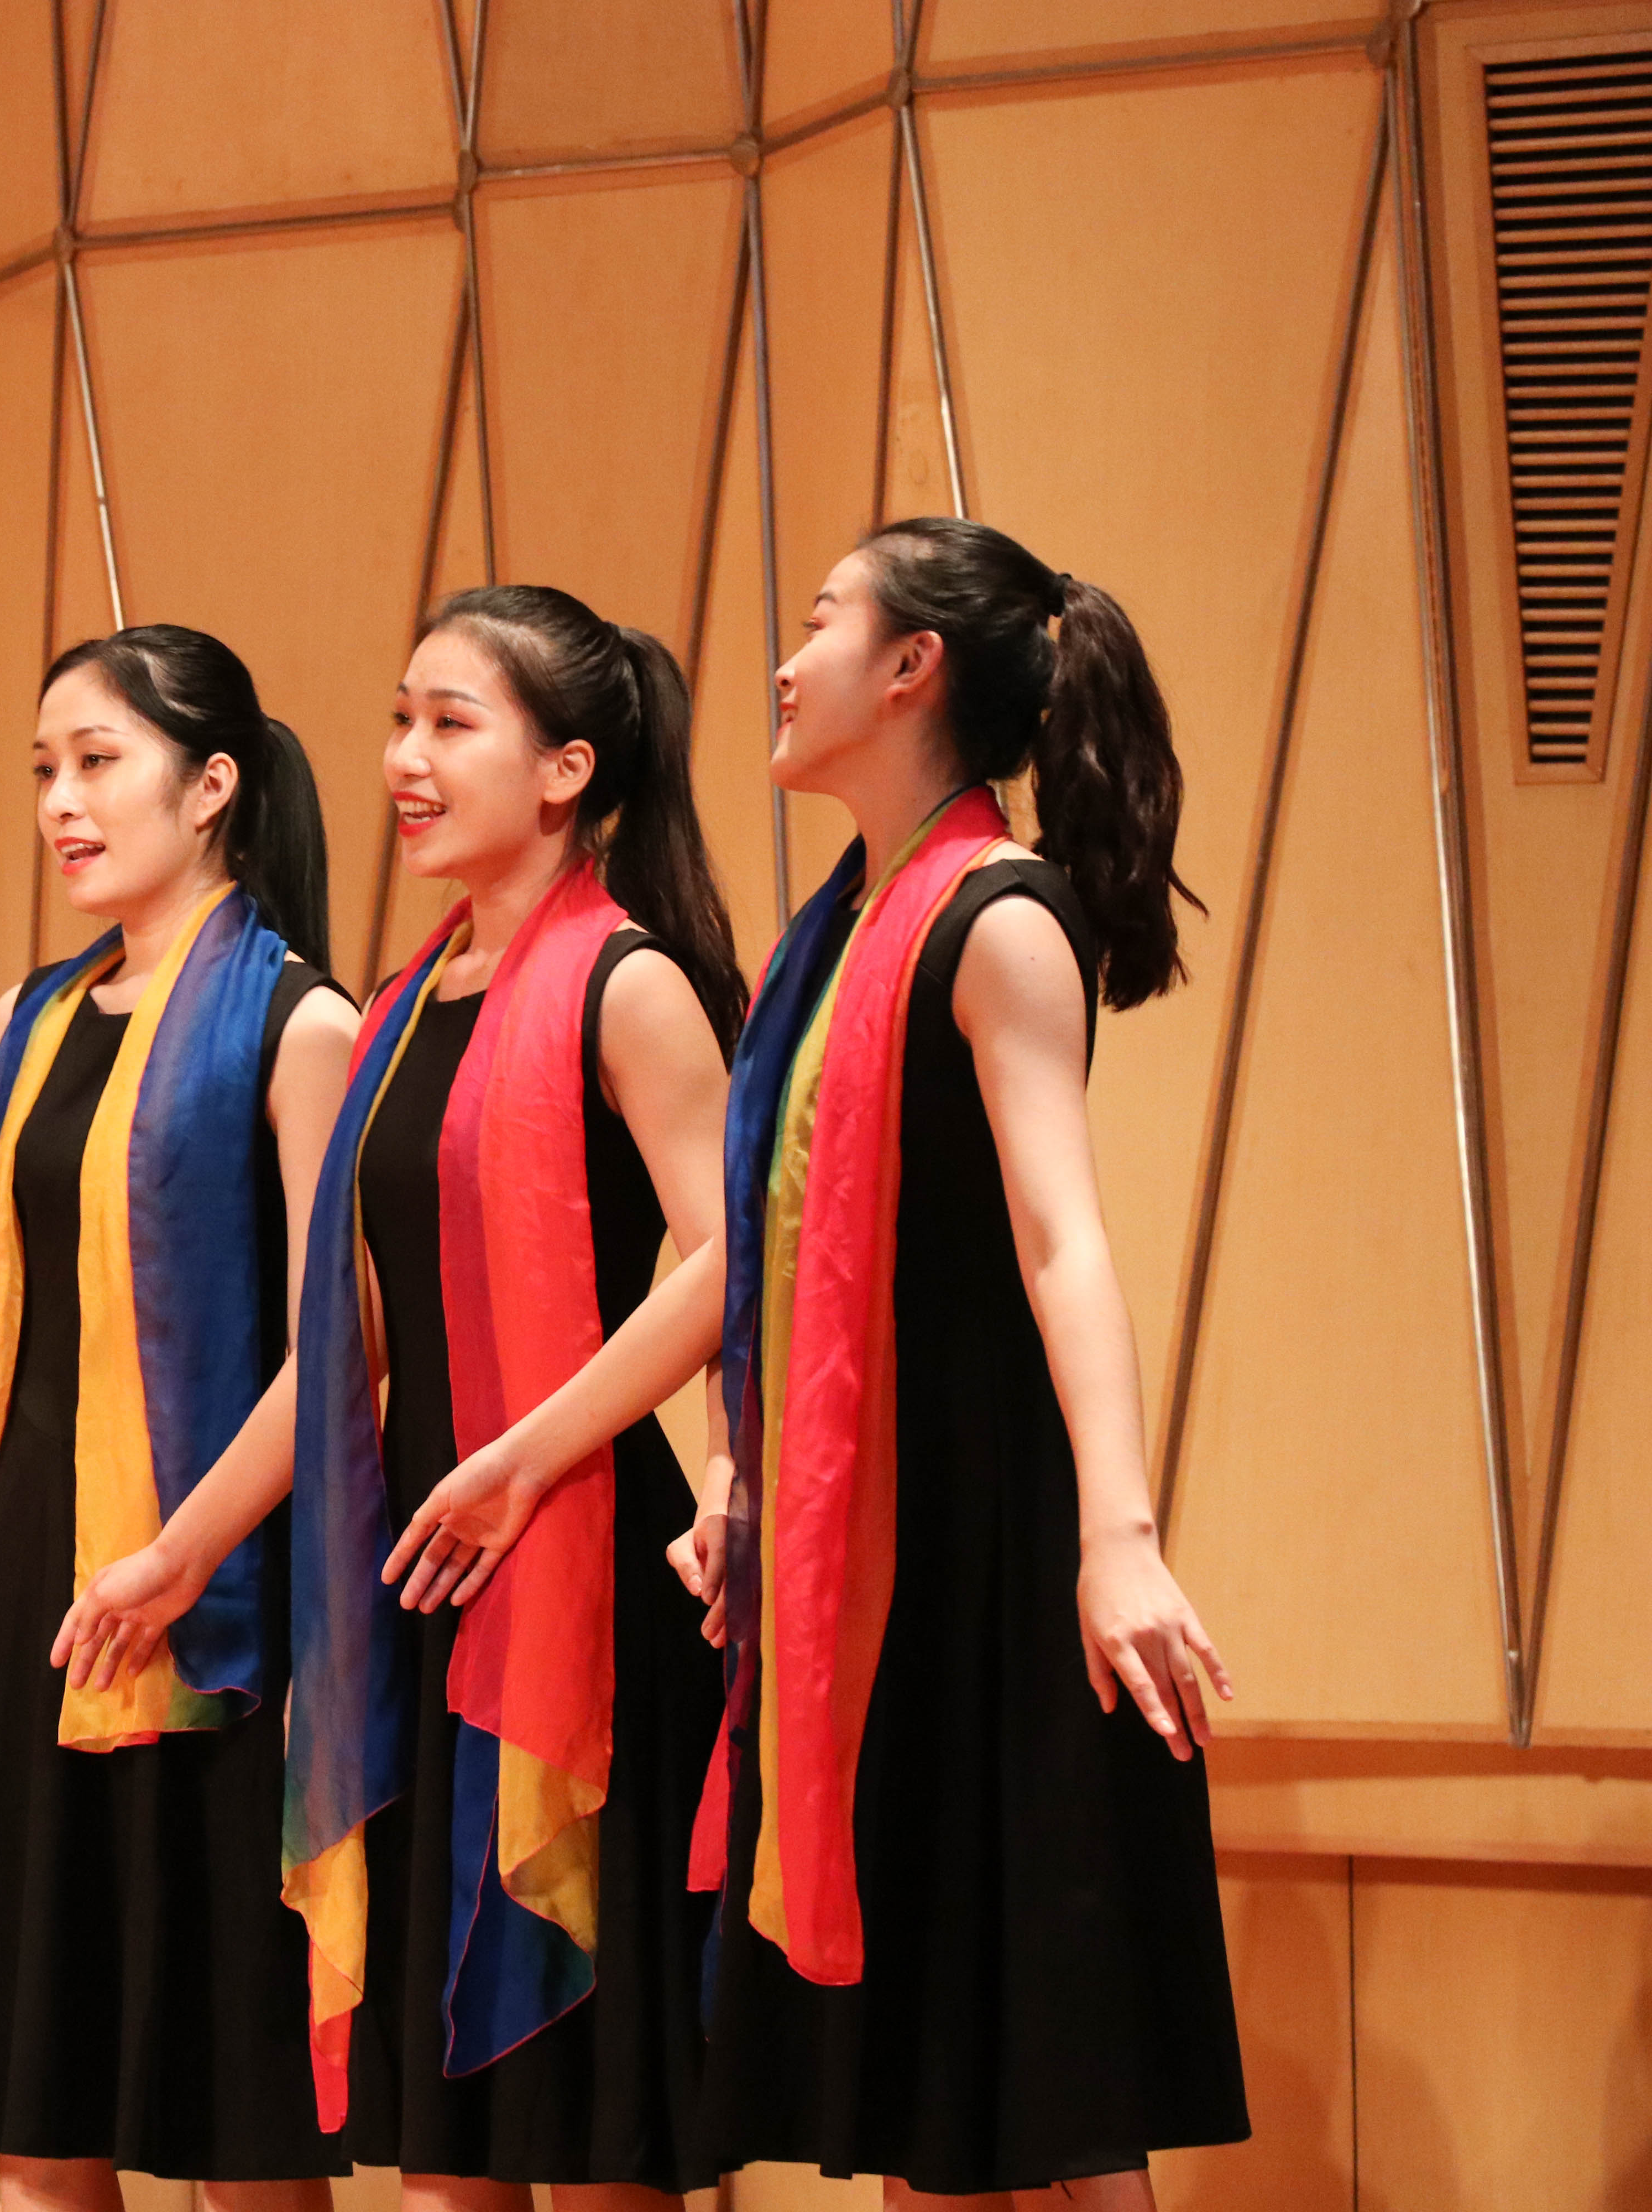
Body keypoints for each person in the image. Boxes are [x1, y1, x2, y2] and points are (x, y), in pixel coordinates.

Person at [696, 519, 1250, 2205]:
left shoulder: (997, 915)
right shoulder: (833, 934)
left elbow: (1065, 1239)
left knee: (1053, 2092)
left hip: (992, 1552)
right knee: (929, 2100)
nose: (786, 661)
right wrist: (733, 1474)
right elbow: (771, 1259)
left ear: (911, 667)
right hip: (873, 1552)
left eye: (821, 621)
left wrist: (1119, 1538)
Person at [223, 585, 743, 2211]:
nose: (406, 757)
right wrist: (176, 1555)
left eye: (452, 723)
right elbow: (352, 1348)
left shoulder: (629, 982)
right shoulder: (397, 1008)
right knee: (450, 2156)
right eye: (402, 719)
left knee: (586, 2144)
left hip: (582, 1568)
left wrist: (525, 1457)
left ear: (568, 769)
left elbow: (734, 1259)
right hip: (426, 1586)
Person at [0, 624, 360, 2212]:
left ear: (212, 785)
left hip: (210, 1602)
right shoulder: (27, 1016)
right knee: (38, 2107)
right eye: (46, 770)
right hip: (32, 1575)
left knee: (230, 2119)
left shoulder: (298, 1021)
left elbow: (337, 1351)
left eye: (99, 762)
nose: (62, 803)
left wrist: (179, 1553)